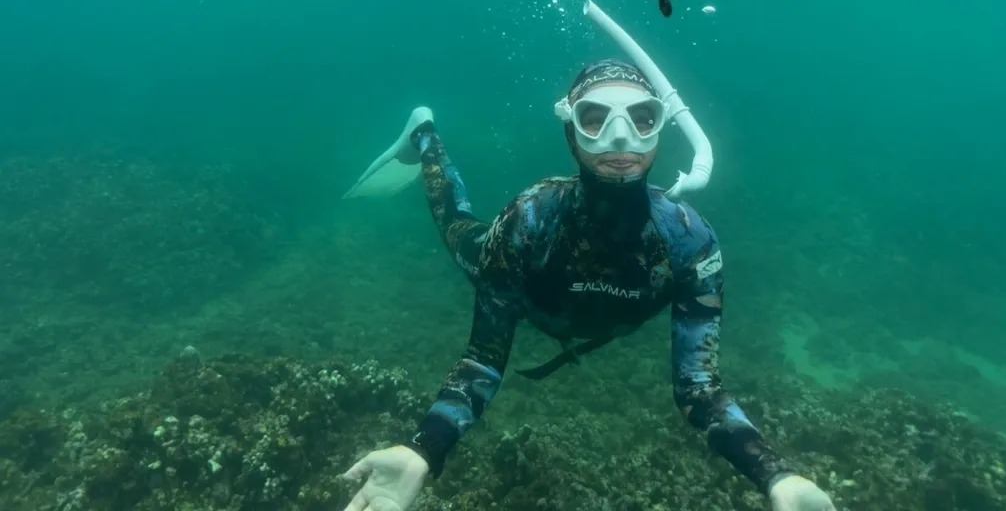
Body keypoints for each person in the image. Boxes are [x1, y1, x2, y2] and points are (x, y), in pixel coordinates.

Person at [341, 54, 838, 511]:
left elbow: (699, 389)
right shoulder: (528, 219)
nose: (620, 139)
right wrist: (422, 450)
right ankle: (424, 134)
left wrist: (778, 477)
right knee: (455, 221)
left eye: (641, 118)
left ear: (659, 129)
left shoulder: (692, 244)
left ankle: (428, 133)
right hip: (516, 279)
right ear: (571, 133)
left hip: (562, 307)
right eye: (595, 118)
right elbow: (482, 361)